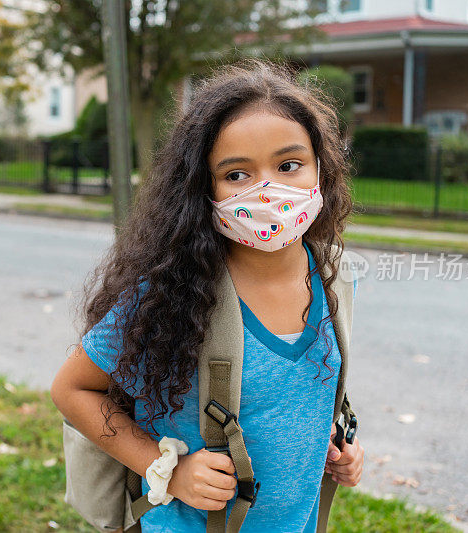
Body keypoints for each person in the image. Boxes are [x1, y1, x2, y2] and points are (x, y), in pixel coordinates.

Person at [51, 57, 364, 532]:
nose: (268, 191)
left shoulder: (335, 278)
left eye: (289, 164)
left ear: (321, 168)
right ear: (205, 189)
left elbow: (303, 398)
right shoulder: (172, 291)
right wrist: (168, 471)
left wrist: (339, 449)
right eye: (237, 174)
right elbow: (72, 389)